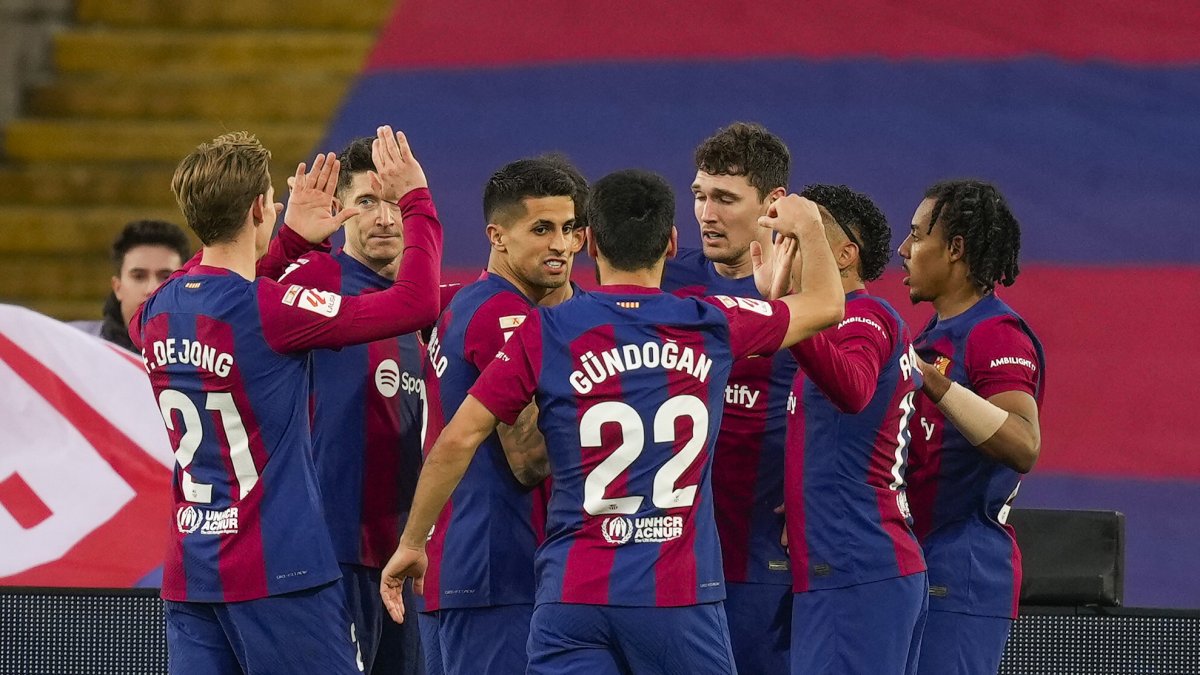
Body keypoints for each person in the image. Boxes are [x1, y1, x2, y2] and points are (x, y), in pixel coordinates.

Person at [382, 169, 846, 674]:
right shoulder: (711, 322)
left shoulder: (546, 330)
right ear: (671, 244)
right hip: (677, 593)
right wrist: (810, 228)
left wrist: (412, 541)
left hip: (572, 594)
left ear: (591, 242)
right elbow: (827, 305)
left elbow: (458, 437)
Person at [130, 128, 442, 674]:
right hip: (278, 567)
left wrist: (292, 242)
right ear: (259, 207)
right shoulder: (273, 310)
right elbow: (416, 303)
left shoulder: (154, 309)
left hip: (191, 570)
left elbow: (217, 283)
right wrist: (415, 196)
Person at [414, 157, 585, 675]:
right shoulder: (504, 316)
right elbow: (530, 459)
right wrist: (613, 394)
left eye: (569, 228)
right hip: (499, 566)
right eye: (541, 229)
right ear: (498, 235)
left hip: (459, 562)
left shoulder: (469, 302)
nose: (561, 244)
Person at [273, 135, 428, 673]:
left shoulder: (429, 306)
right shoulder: (319, 280)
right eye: (365, 202)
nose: (384, 219)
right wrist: (290, 241)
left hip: (406, 557)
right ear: (340, 209)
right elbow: (247, 296)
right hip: (334, 553)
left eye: (394, 202)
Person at [661, 121, 797, 673]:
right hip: (669, 554)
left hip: (763, 549)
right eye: (698, 195)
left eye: (725, 198)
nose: (706, 214)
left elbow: (861, 397)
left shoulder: (813, 295)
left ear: (772, 203)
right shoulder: (667, 281)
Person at [898, 180, 1045, 675]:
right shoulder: (933, 338)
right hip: (916, 563)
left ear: (955, 249)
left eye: (917, 236)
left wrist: (936, 385)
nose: (904, 250)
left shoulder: (995, 333)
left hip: (963, 573)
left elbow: (1023, 444)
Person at [782, 184, 928, 674]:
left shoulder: (862, 318)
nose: (788, 249)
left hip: (854, 569)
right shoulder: (852, 324)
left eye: (803, 237)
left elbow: (854, 389)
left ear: (844, 254)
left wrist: (786, 309)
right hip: (857, 570)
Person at [71, 219, 190, 351]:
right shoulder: (73, 346)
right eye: (139, 276)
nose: (152, 289)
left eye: (166, 277)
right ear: (117, 287)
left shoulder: (212, 357)